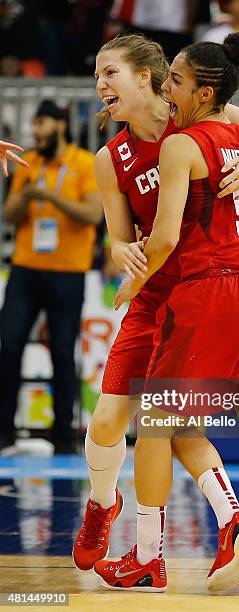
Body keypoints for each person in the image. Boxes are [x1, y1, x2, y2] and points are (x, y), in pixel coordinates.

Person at [92, 33, 239, 596]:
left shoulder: (182, 144)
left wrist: (136, 280)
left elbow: (166, 237)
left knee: (159, 426)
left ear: (201, 92)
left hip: (209, 296)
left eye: (174, 81)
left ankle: (154, 556)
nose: (167, 89)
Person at [0, 100, 103, 455]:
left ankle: (63, 436)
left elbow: (92, 214)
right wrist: (27, 196)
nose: (36, 130)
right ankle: (4, 432)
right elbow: (10, 216)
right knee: (8, 345)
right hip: (26, 268)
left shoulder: (84, 164)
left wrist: (50, 197)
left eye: (41, 122)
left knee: (62, 350)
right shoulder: (28, 163)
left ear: (60, 124)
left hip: (68, 272)